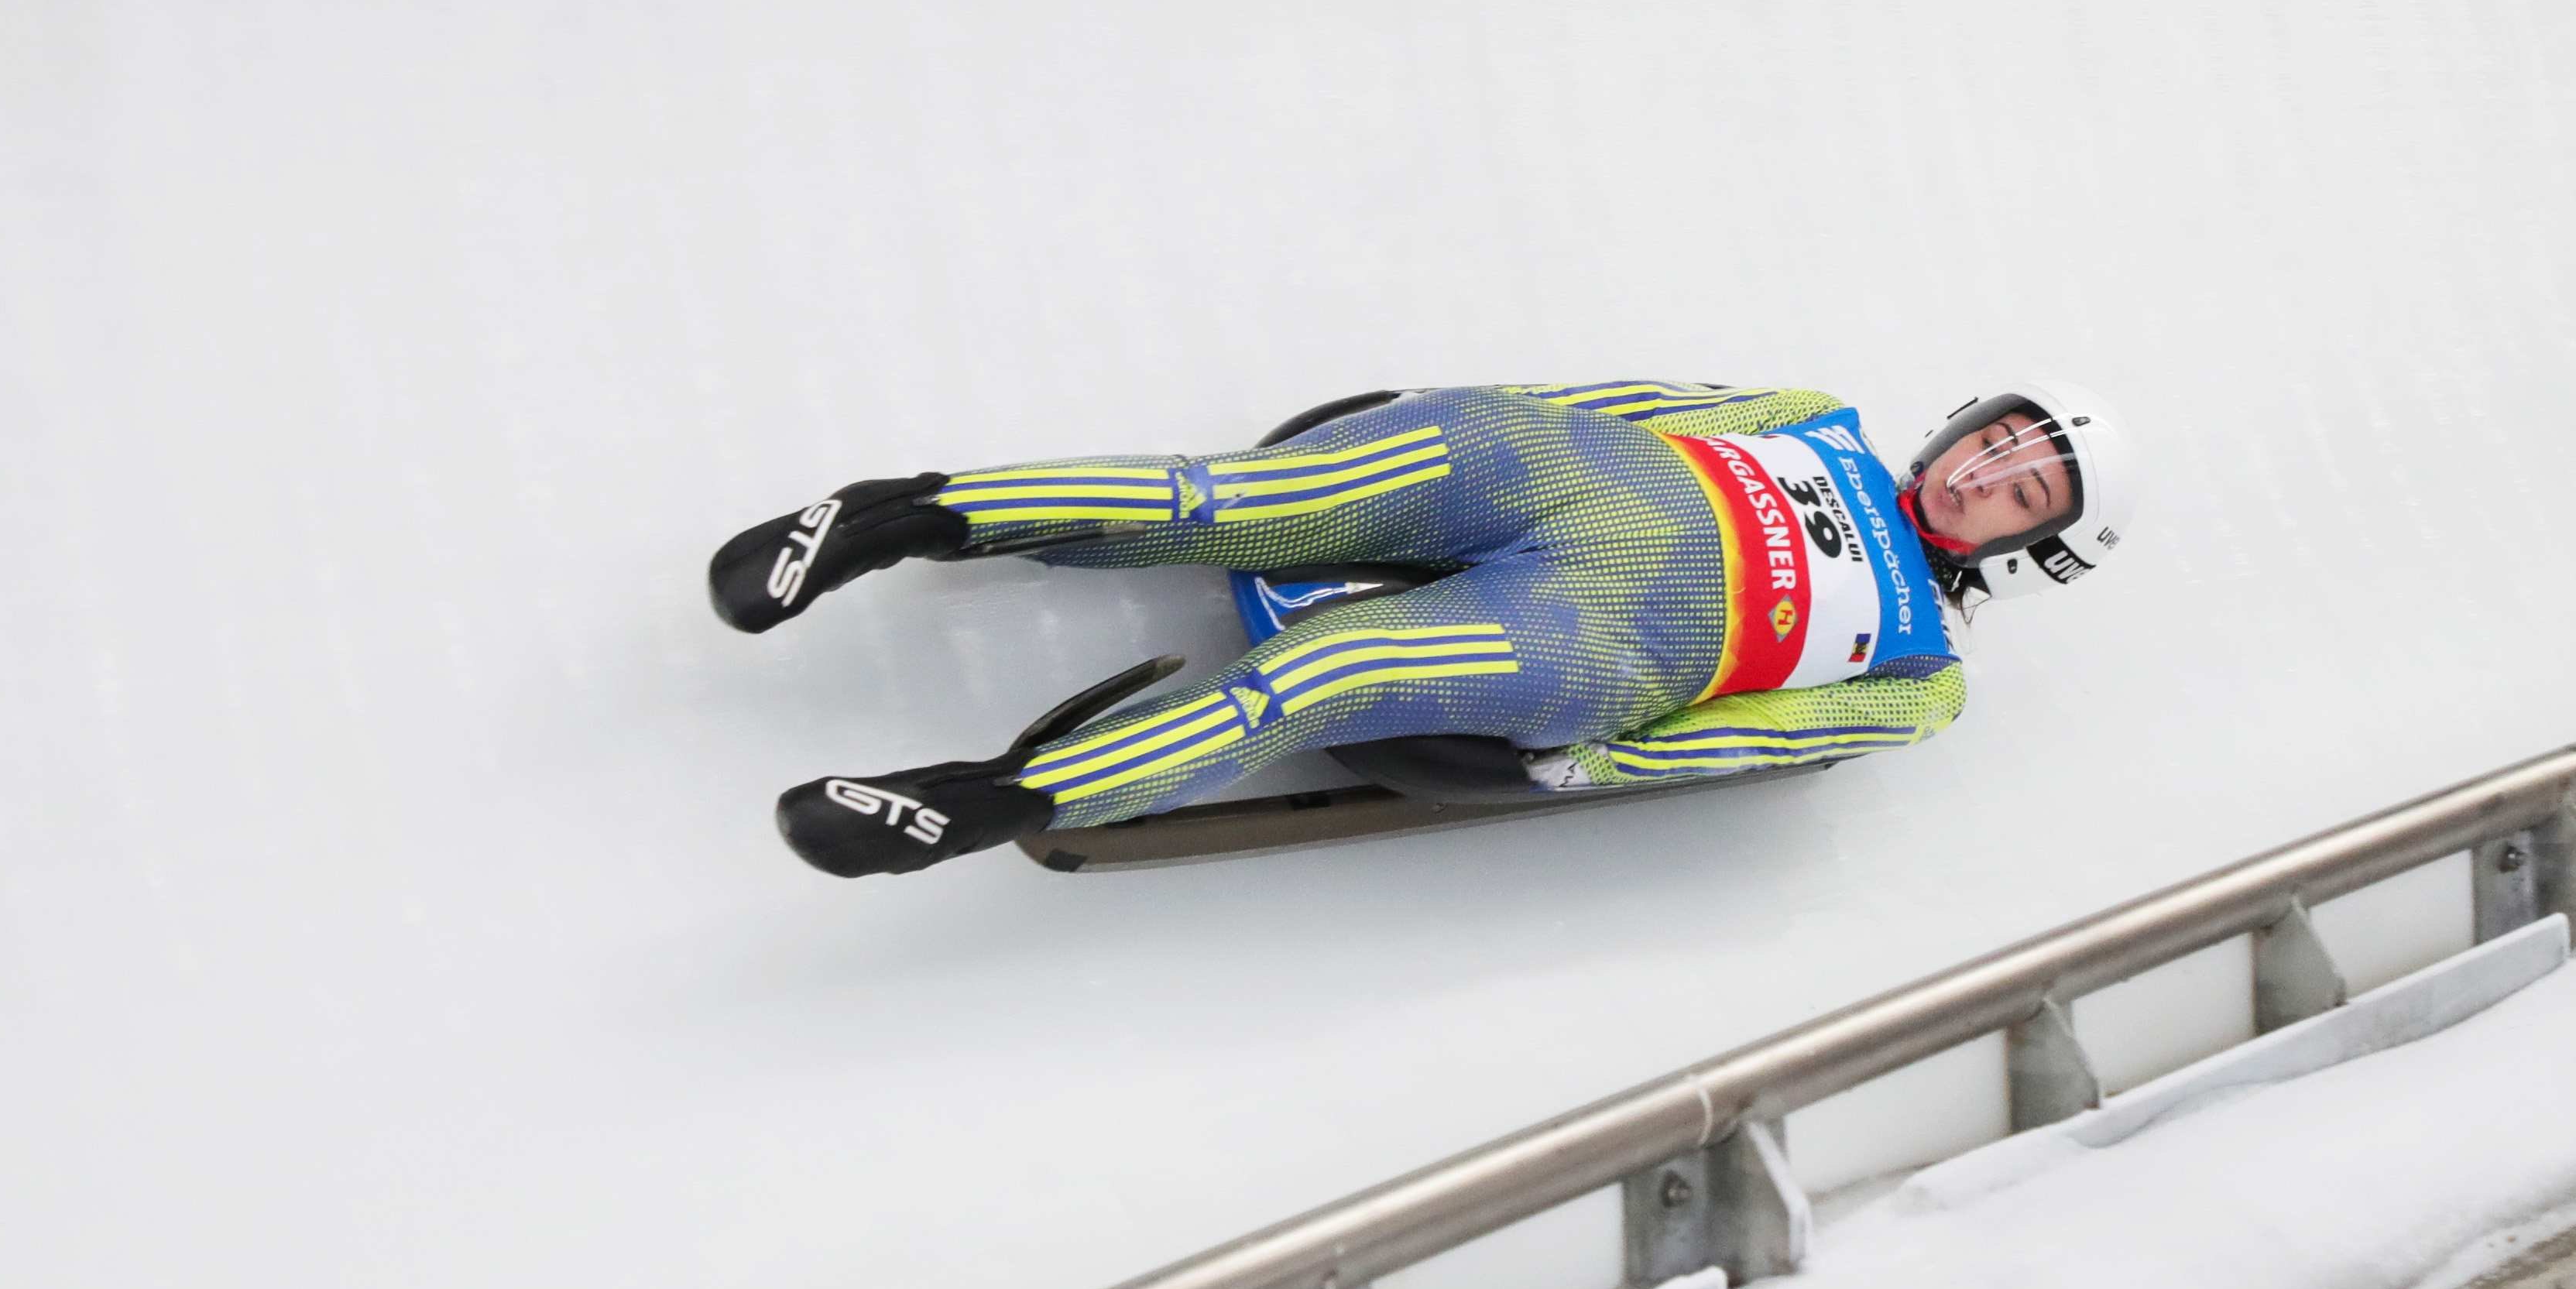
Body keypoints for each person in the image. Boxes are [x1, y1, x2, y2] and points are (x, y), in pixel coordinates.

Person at [715, 377, 2139, 876]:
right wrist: (1477, 408)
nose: (1977, 475)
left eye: (2016, 492)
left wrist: (1575, 772)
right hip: (1552, 468)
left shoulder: (1919, 675)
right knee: (1246, 500)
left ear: (2030, 546)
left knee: (1330, 672)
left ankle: (973, 803)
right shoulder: (1809, 418)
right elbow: (1638, 407)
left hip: (1601, 635)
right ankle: (898, 515)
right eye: (1991, 445)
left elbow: (1756, 740)